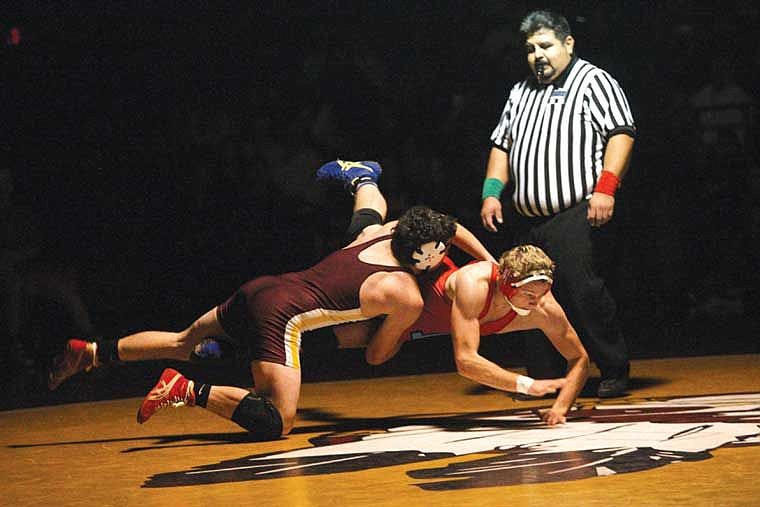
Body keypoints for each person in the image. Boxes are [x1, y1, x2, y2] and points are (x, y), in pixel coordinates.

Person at [47, 159, 493, 439]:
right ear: (424, 254)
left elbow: (444, 227)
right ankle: (186, 389)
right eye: (439, 256)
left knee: (185, 339)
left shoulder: (382, 231)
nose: (443, 260)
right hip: (281, 319)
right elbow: (377, 356)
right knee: (278, 420)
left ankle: (92, 352)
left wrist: (487, 260)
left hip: (260, 288)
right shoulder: (404, 294)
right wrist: (403, 331)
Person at [479, 10, 636, 397]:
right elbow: (502, 145)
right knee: (525, 296)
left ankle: (612, 368)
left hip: (574, 212)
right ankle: (543, 377)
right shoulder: (520, 91)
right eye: (530, 49)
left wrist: (606, 188)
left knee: (583, 290)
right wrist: (490, 193)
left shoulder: (593, 81)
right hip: (528, 218)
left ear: (568, 44)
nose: (537, 55)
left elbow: (621, 134)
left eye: (546, 45)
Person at [335, 244, 590, 425]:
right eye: (529, 295)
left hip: (431, 327)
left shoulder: (545, 308)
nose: (537, 302)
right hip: (407, 307)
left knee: (375, 356)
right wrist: (527, 385)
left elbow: (579, 358)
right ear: (506, 282)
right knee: (360, 345)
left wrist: (560, 408)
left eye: (542, 293)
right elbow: (465, 362)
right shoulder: (474, 283)